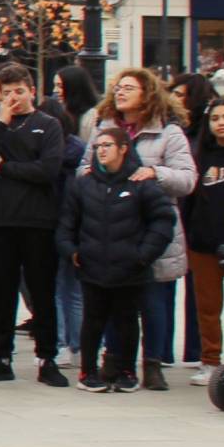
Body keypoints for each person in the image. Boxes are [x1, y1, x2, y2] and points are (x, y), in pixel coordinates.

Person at [87, 66, 196, 391]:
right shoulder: (103, 128)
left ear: (147, 94)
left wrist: (154, 173)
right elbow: (84, 168)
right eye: (118, 87)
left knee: (153, 301)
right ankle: (114, 360)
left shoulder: (168, 133)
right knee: (109, 300)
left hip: (152, 231)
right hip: (110, 229)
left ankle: (153, 363)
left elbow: (187, 179)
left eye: (129, 88)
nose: (120, 92)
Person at [0, 62, 67, 387]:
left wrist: (6, 167)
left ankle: (47, 358)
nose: (13, 98)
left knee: (41, 292)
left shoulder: (48, 125)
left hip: (39, 221)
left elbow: (48, 170)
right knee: (3, 293)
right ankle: (1, 357)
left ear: (32, 91)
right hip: (1, 221)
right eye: (7, 92)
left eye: (19, 92)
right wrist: (0, 124)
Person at [59, 124, 179, 392]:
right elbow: (67, 224)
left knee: (126, 320)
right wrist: (72, 251)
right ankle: (88, 372)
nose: (101, 151)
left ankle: (127, 371)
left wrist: (143, 255)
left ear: (123, 149)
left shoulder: (141, 183)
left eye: (107, 146)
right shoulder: (84, 184)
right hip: (92, 266)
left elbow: (162, 220)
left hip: (130, 268)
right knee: (93, 320)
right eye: (98, 146)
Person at [183, 95, 224, 386]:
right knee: (207, 307)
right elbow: (188, 203)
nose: (221, 123)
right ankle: (210, 361)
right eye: (215, 118)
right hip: (204, 244)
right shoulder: (200, 156)